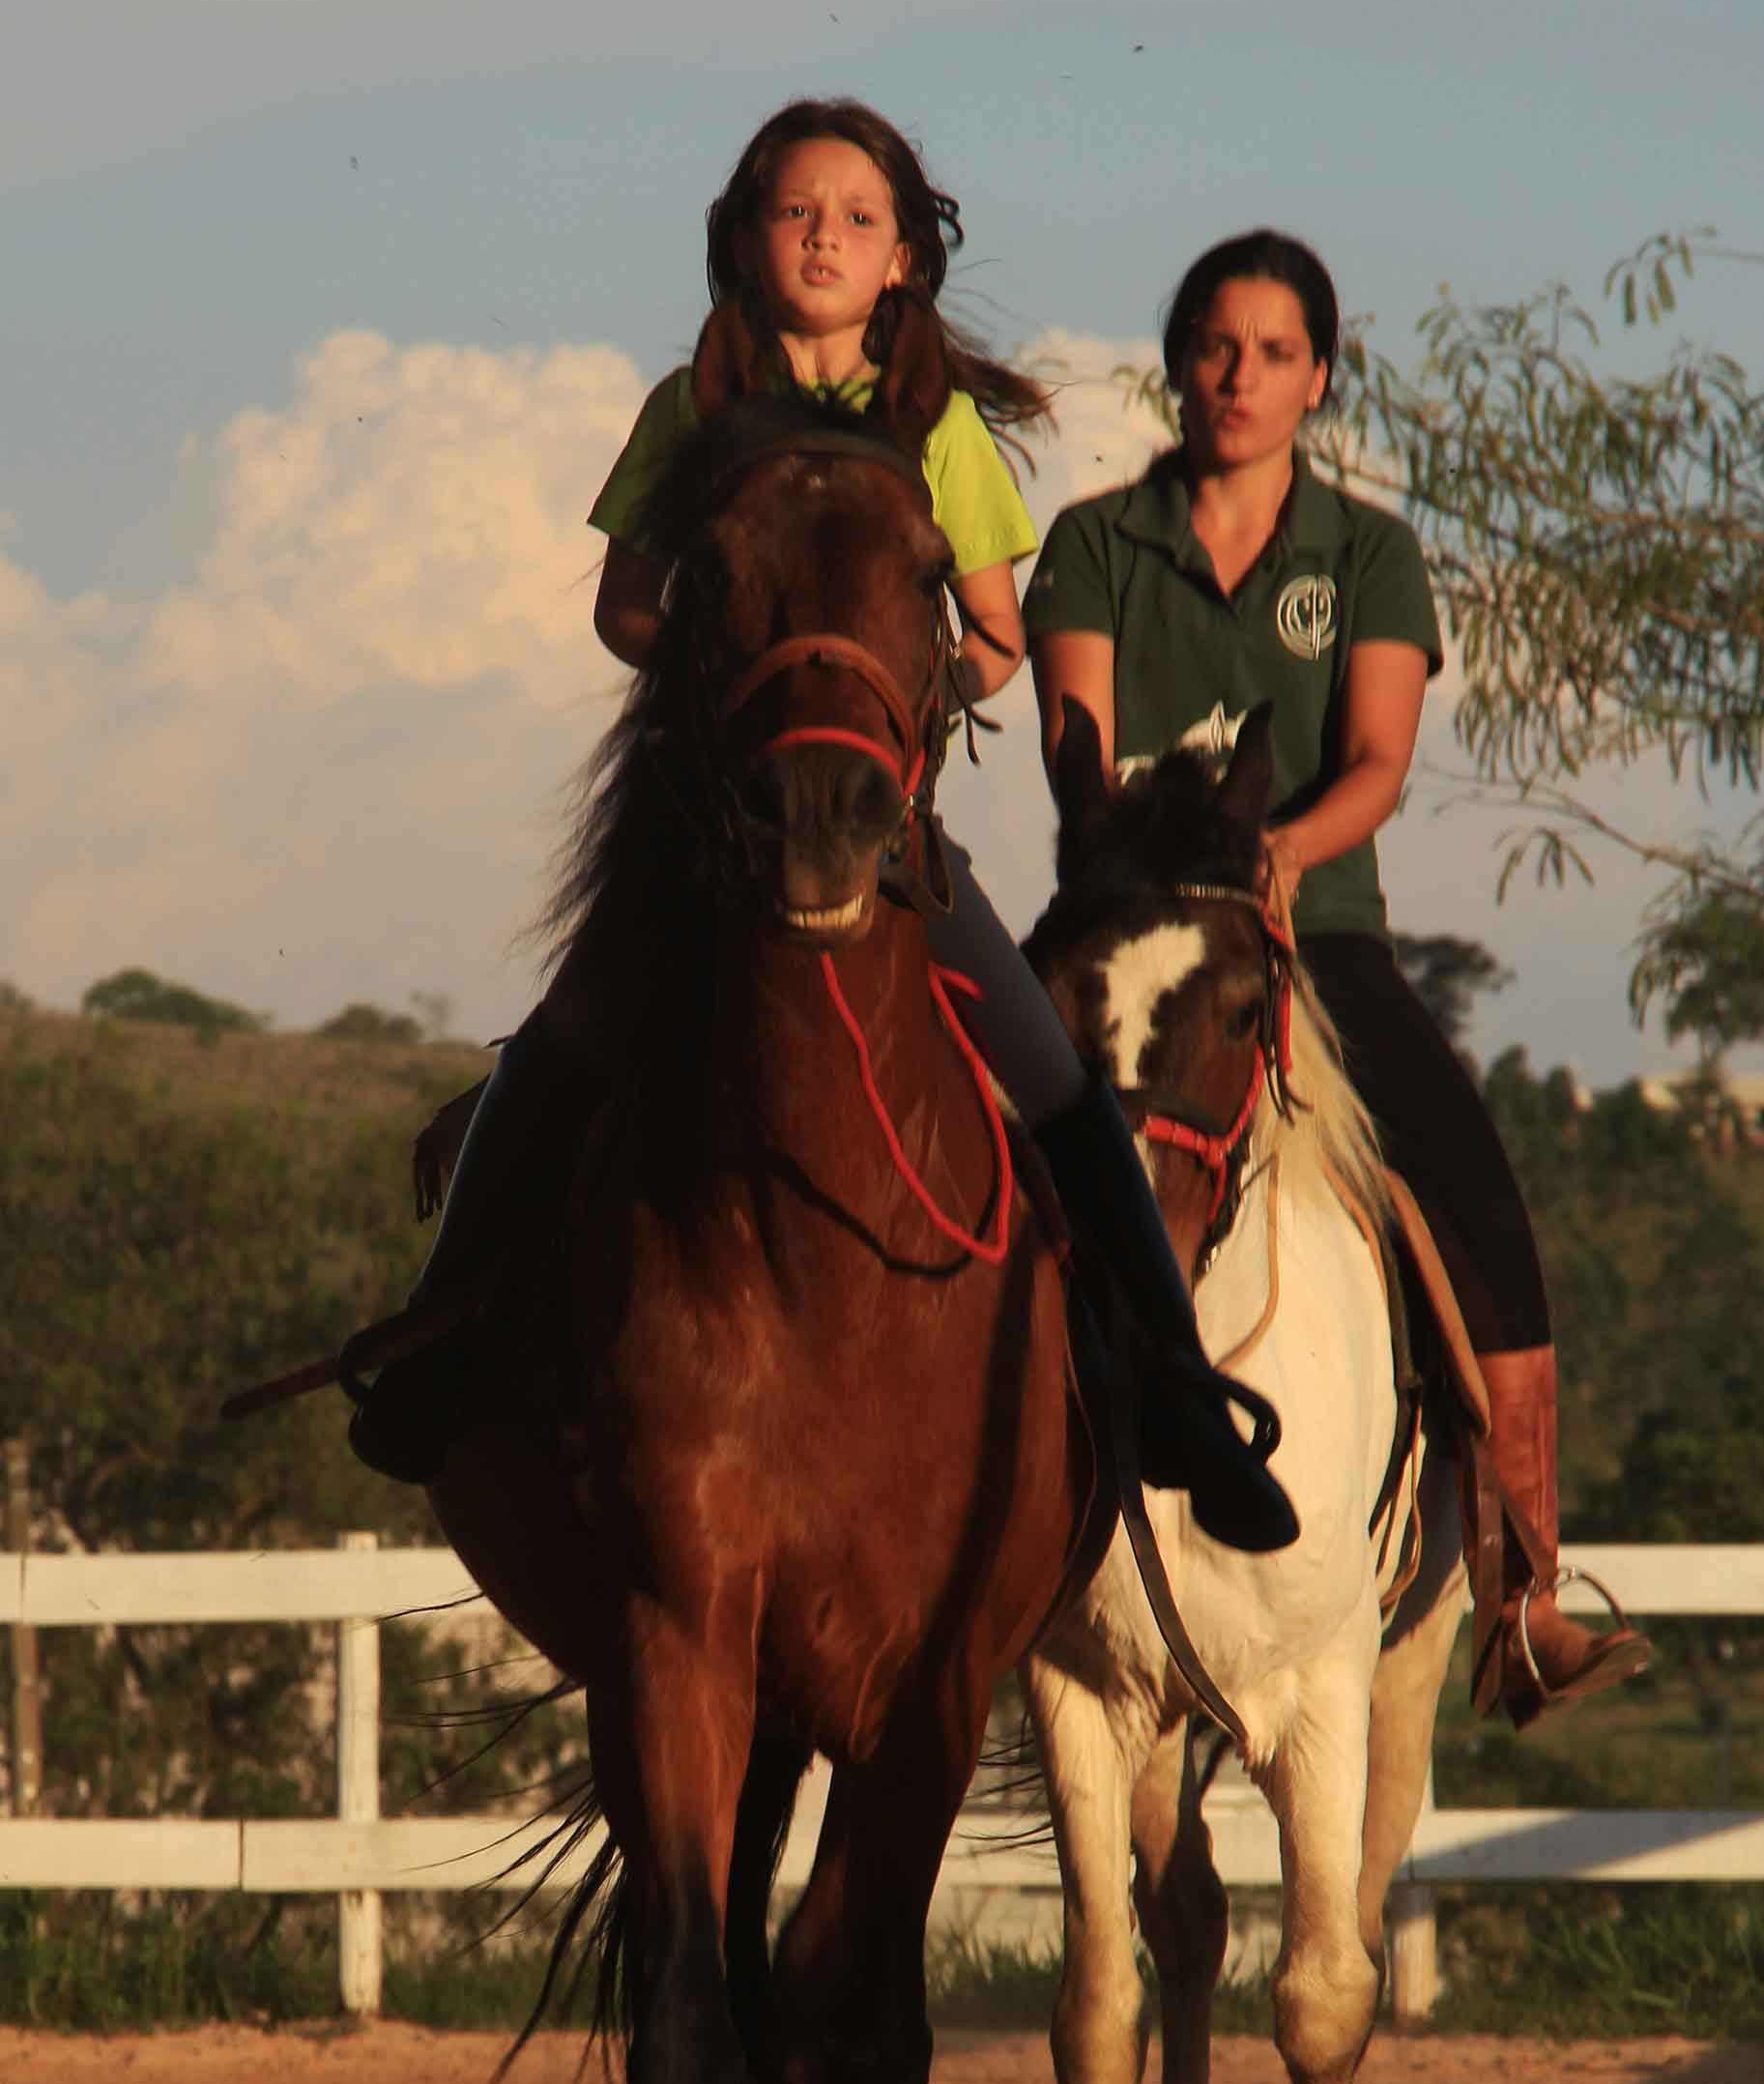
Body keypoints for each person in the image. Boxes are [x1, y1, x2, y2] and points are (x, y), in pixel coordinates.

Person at [348, 102, 1296, 1553]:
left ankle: (1171, 1388)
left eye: (858, 219)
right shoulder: (689, 408)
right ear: (742, 237)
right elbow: (622, 607)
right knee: (556, 1049)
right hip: (705, 835)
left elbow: (991, 639)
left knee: (1057, 1088)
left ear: (905, 258)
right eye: (797, 212)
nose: (824, 238)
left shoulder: (944, 429)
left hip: (891, 839)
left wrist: (910, 679)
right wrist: (723, 663)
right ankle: (441, 1343)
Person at [1024, 226, 1649, 1725]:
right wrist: (1147, 856)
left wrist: (1282, 854)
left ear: (1319, 376)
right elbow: (1075, 754)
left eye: (1274, 352)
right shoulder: (1095, 543)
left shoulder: (1367, 553)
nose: (1239, 377)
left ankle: (1524, 1592)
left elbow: (1376, 762)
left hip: (1313, 930)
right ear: (1175, 360)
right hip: (1121, 932)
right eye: (1214, 346)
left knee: (1475, 1206)